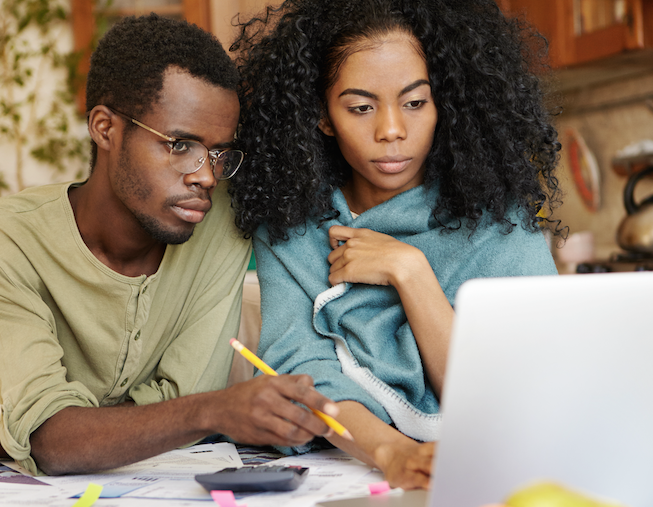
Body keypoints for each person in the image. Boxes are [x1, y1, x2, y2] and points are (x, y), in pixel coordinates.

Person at [0, 14, 340, 476]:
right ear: (105, 128)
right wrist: (210, 410)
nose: (206, 175)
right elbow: (53, 444)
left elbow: (176, 405)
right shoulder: (0, 242)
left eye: (218, 153)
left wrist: (12, 434)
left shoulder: (222, 224)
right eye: (180, 145)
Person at [229, 0, 564, 490]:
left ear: (443, 104)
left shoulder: (498, 222)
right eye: (361, 108)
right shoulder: (292, 227)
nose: (391, 130)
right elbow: (304, 373)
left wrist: (410, 272)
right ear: (323, 117)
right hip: (354, 474)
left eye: (414, 102)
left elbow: (504, 398)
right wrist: (393, 451)